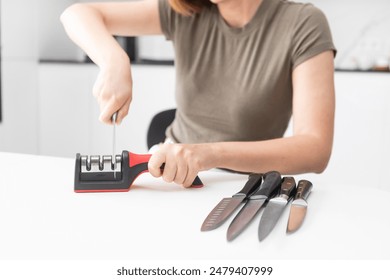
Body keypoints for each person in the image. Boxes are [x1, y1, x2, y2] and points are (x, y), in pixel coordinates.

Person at [61, 0, 336, 188]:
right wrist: (114, 60)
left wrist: (209, 154)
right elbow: (75, 13)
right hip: (171, 176)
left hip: (248, 187)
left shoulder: (304, 23)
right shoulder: (185, 10)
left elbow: (315, 149)